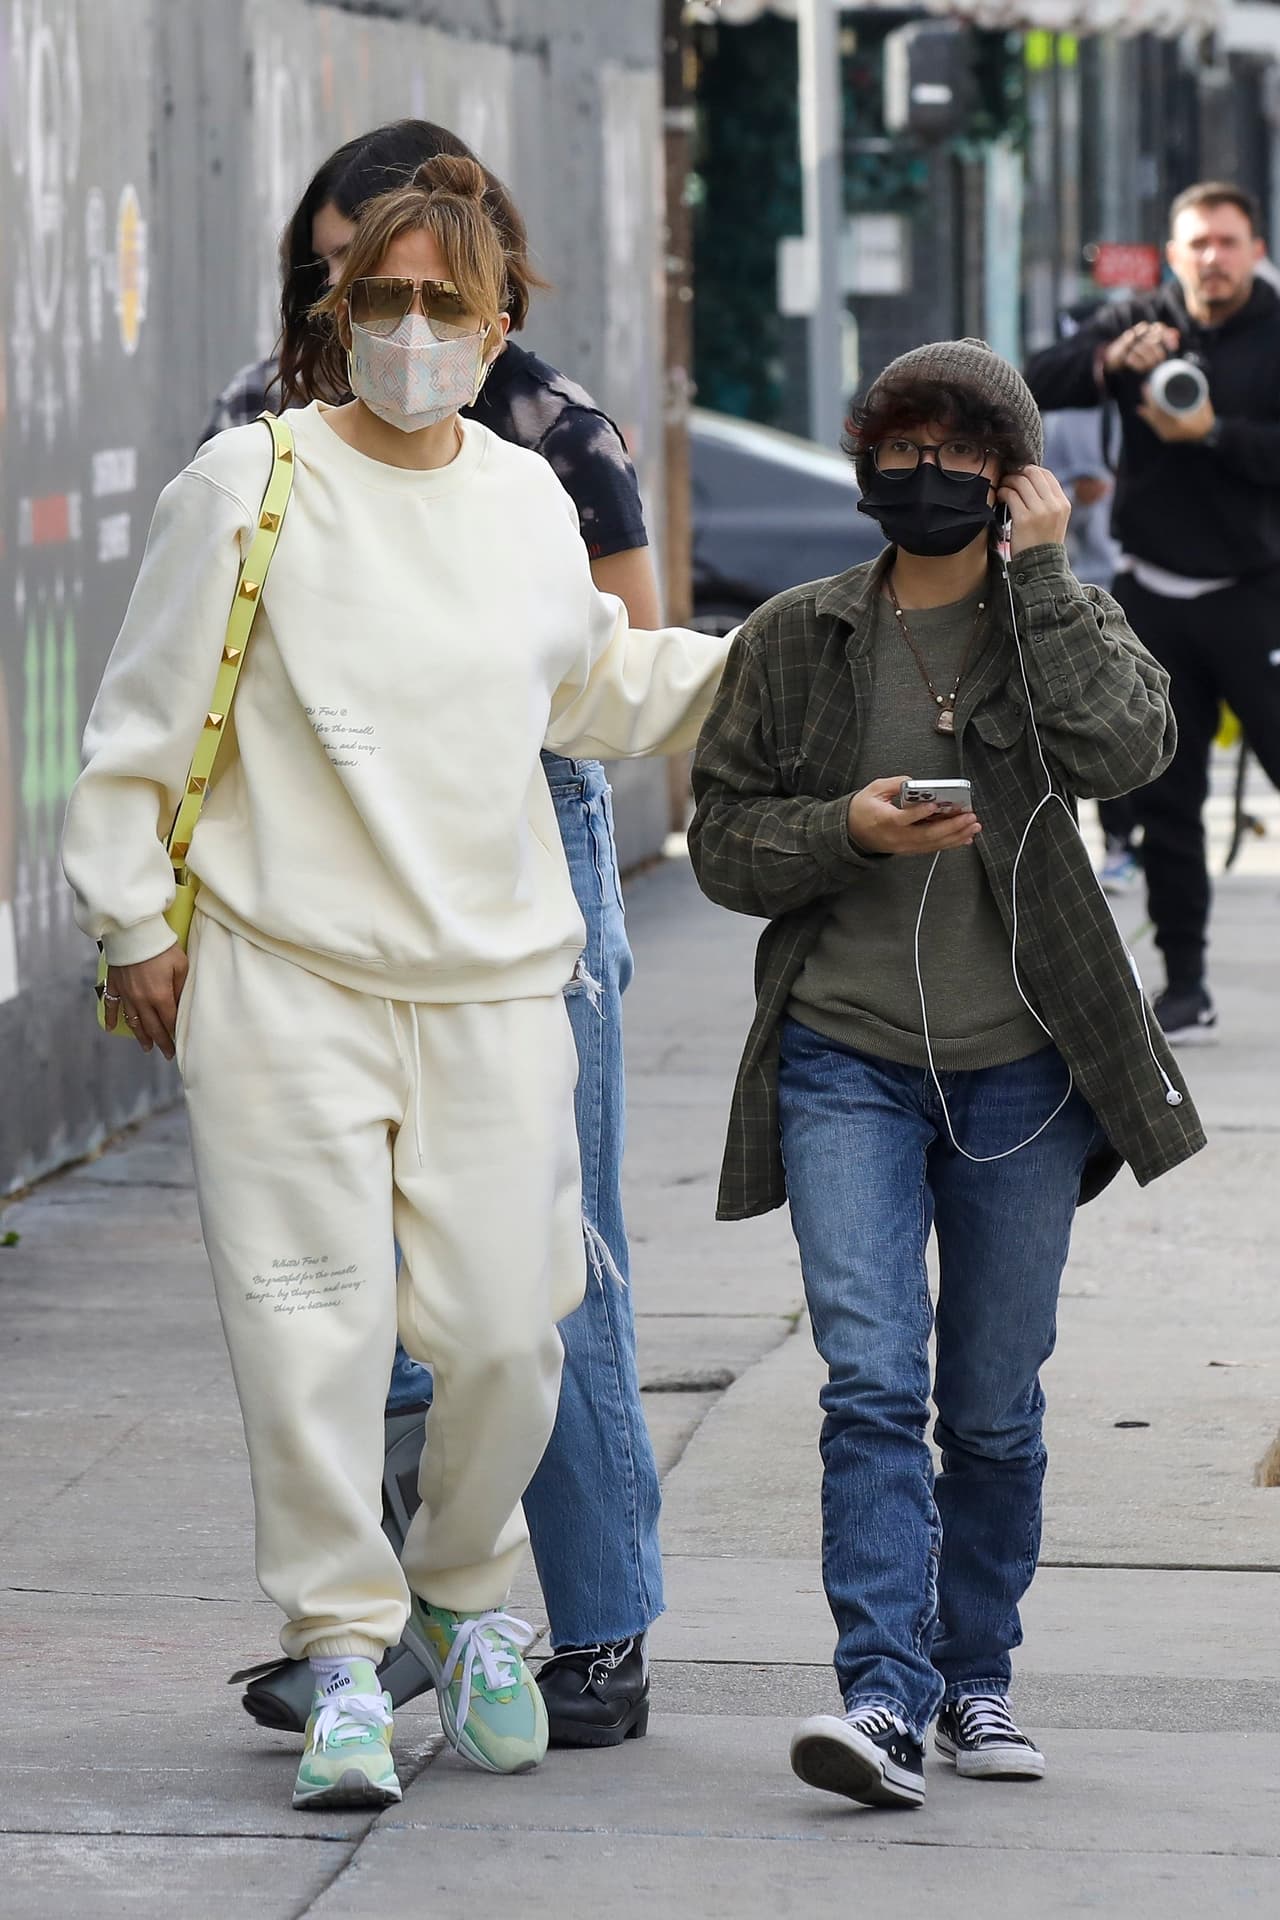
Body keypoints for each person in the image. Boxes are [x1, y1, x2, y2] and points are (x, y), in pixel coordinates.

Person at [62, 156, 727, 1814]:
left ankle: (462, 1592)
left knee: (512, 1333)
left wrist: (791, 657)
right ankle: (347, 1656)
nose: (414, 330)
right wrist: (134, 922)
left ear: (501, 323)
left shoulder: (518, 495)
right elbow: (138, 730)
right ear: (335, 311)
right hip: (285, 982)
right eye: (384, 297)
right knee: (314, 1338)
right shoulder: (248, 483)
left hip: (497, 985)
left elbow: (593, 685)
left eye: (448, 302)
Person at [688, 338, 1204, 1811]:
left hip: (1022, 1076)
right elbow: (722, 841)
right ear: (864, 465)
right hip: (843, 1059)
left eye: (966, 462)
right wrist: (844, 828)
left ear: (1014, 478)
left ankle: (979, 1678)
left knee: (989, 1404)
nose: (931, 482)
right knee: (867, 1384)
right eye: (903, 455)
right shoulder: (796, 637)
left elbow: (1129, 750)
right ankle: (882, 1698)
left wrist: (1040, 578)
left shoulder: (1061, 620)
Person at [207, 120, 665, 1748]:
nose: (378, 304)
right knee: (339, 1297)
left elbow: (615, 661)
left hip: (515, 851)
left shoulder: (548, 436)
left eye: (411, 272)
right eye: (338, 269)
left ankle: (593, 1633)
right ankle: (390, 1626)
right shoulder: (254, 437)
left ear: (483, 273)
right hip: (320, 895)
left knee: (541, 1279)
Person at [1027, 181, 1280, 1042]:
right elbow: (1031, 383)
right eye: (1197, 243)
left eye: (1228, 241)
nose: (1213, 258)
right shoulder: (1137, 320)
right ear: (1174, 254)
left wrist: (1213, 433)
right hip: (1153, 594)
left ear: (1255, 248)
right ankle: (1187, 983)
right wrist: (1110, 360)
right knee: (1164, 797)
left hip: (1257, 592)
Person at [1041, 367, 1139, 896]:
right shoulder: (1067, 415)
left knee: (1157, 716)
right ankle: (1119, 842)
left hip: (1158, 578)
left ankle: (1133, 841)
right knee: (1100, 715)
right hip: (1090, 587)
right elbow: (1037, 502)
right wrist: (1078, 493)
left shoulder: (1173, 390)